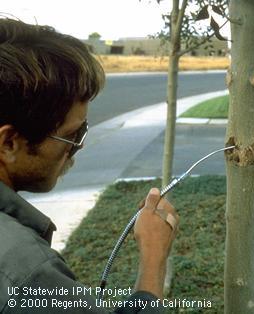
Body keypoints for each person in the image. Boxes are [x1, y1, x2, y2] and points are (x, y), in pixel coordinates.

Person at [0, 18, 179, 313]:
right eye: (72, 134)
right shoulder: (27, 271)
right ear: (8, 143)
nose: (79, 146)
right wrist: (154, 257)